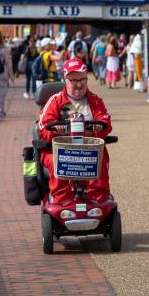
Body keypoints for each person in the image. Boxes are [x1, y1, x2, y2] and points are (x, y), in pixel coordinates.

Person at [37, 58, 113, 204]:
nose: (78, 84)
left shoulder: (95, 101)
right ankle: (63, 199)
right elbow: (43, 127)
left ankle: (97, 198)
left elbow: (105, 122)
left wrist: (100, 127)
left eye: (82, 80)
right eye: (73, 80)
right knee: (55, 160)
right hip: (60, 149)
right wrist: (55, 130)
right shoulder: (55, 101)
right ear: (65, 80)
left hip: (87, 147)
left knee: (101, 155)